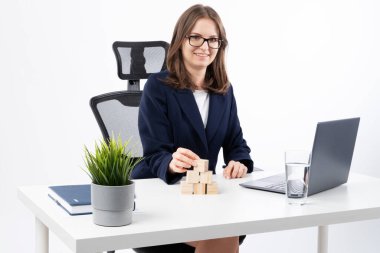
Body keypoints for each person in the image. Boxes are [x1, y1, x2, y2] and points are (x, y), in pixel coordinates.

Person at [132, 4, 254, 253]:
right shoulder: (158, 87)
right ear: (181, 39)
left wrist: (239, 161)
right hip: (163, 201)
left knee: (226, 228)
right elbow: (154, 153)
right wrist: (171, 162)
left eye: (213, 39)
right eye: (196, 37)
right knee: (224, 231)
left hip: (204, 199)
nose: (205, 46)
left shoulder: (224, 91)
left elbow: (236, 144)